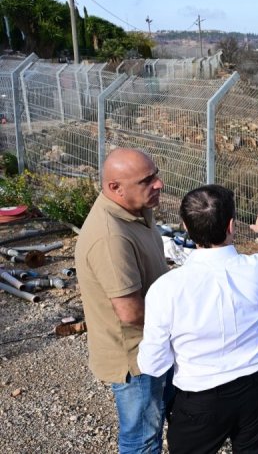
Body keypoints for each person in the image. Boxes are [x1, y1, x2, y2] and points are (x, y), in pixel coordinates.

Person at [138, 185, 258, 454]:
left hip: (200, 398)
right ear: (231, 225)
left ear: (185, 226)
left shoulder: (166, 289)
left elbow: (152, 363)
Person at [74, 148, 171, 454]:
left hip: (151, 346)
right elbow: (130, 312)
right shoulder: (110, 237)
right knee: (141, 438)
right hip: (136, 357)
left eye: (155, 174)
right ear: (115, 188)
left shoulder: (135, 210)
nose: (159, 184)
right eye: (147, 180)